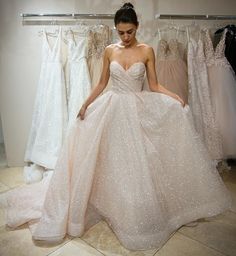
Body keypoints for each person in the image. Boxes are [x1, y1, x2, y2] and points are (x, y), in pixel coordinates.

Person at [3, 2, 231, 251]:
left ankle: (138, 206)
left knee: (139, 161)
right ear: (116, 29)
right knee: (112, 160)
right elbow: (102, 83)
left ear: (137, 27)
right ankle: (113, 202)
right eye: (120, 32)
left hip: (137, 109)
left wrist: (174, 97)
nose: (125, 37)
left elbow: (154, 85)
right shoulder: (110, 50)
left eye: (129, 31)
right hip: (112, 107)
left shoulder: (146, 51)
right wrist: (86, 104)